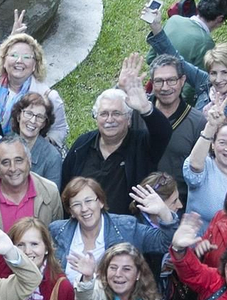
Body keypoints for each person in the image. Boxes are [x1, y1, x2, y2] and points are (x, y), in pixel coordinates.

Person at [59, 56, 173, 216]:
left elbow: (163, 133)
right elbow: (65, 187)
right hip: (83, 226)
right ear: (96, 117)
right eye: (104, 114)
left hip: (126, 231)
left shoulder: (142, 145)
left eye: (117, 113)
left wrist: (146, 107)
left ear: (128, 119)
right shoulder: (82, 145)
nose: (109, 120)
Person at [145, 33, 227, 160]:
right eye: (213, 73)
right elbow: (178, 61)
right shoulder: (205, 83)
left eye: (225, 73)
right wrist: (157, 30)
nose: (218, 80)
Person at [49, 177, 179, 290]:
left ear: (100, 202)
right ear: (70, 211)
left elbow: (165, 242)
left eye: (89, 201)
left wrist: (164, 212)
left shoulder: (126, 227)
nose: (84, 209)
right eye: (76, 204)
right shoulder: (57, 231)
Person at [143, 51, 210, 187]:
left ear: (182, 81)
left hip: (177, 202)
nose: (165, 87)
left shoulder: (197, 122)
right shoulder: (138, 114)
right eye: (159, 81)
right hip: (137, 198)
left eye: (171, 80)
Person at [0, 136, 62, 231]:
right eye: (5, 162)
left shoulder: (50, 192)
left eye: (18, 160)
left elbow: (56, 238)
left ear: (29, 161)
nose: (13, 168)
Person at [143, 0, 227, 67]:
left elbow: (150, 59)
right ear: (220, 19)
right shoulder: (206, 44)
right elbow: (197, 84)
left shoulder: (173, 20)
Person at [10, 92, 65, 181]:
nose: (33, 120)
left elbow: (52, 193)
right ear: (18, 116)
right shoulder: (3, 145)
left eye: (39, 117)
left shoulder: (52, 157)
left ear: (44, 124)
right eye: (28, 113)